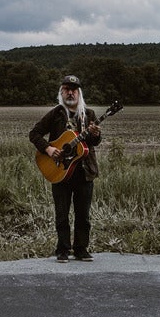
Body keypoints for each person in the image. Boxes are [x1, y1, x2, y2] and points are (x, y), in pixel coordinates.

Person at [29, 75, 101, 263]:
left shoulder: (89, 115)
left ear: (79, 93)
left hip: (84, 171)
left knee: (83, 215)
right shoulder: (55, 114)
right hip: (59, 170)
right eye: (67, 89)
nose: (70, 92)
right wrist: (48, 148)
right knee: (62, 214)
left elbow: (94, 142)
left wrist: (96, 134)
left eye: (74, 89)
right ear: (61, 92)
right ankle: (62, 250)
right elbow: (34, 134)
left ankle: (81, 249)